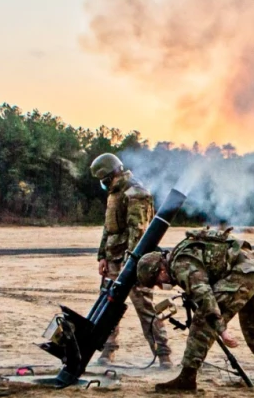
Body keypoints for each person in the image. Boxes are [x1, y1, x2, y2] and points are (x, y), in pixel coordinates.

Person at [136, 227, 254, 391]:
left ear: (160, 270)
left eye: (157, 282)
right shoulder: (182, 254)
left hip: (243, 272)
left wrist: (222, 330)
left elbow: (206, 298)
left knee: (203, 321)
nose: (161, 286)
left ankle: (187, 378)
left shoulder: (180, 265)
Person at [90, 152, 173, 368]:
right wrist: (102, 257)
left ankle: (163, 355)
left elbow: (139, 233)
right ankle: (107, 352)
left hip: (134, 264)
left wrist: (132, 264)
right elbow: (109, 229)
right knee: (108, 308)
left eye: (103, 180)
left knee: (145, 308)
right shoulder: (114, 194)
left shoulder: (136, 193)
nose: (103, 184)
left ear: (109, 176)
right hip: (113, 261)